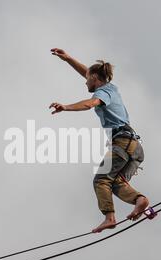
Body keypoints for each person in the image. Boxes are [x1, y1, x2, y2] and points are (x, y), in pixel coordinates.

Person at [49, 48, 150, 233]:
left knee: (101, 180)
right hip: (135, 148)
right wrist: (68, 59)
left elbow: (90, 104)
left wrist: (66, 107)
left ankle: (109, 217)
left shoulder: (102, 93)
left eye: (87, 79)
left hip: (122, 143)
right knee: (116, 183)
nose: (85, 82)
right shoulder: (111, 88)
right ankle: (139, 200)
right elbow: (87, 72)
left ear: (95, 78)